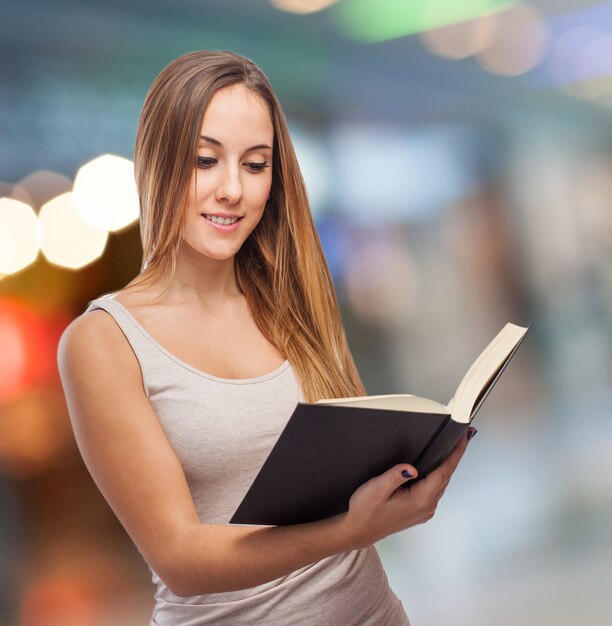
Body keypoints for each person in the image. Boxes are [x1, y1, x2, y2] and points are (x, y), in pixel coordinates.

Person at [57, 50, 474, 626]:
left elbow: (346, 466)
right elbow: (180, 559)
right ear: (156, 160)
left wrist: (416, 459)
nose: (233, 189)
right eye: (206, 160)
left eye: (255, 165)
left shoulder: (291, 301)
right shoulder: (102, 341)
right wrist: (346, 532)